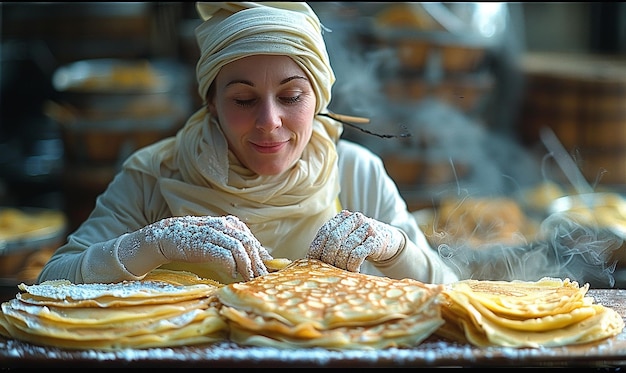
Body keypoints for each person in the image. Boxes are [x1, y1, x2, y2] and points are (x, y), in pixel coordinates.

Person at [37, 2, 459, 285]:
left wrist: (396, 249)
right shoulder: (155, 176)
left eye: (291, 97)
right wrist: (153, 245)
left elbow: (449, 293)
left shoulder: (356, 174)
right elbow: (51, 282)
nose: (269, 122)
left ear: (319, 100)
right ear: (212, 104)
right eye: (243, 99)